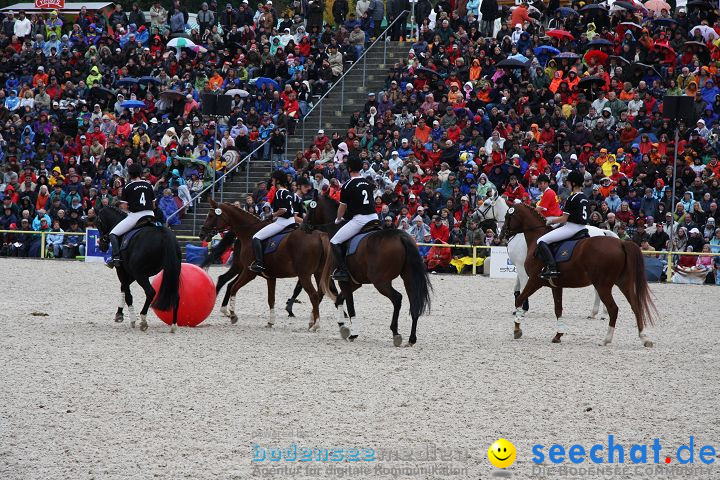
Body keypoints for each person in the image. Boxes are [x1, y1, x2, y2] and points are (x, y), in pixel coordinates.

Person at [329, 157, 378, 281]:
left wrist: (338, 219)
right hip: (374, 217)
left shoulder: (347, 185)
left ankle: (343, 270)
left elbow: (342, 207)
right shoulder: (368, 183)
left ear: (349, 168)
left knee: (334, 241)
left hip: (360, 220)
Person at [536, 170, 589, 279]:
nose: (567, 185)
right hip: (583, 227)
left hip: (572, 227)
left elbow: (564, 218)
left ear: (573, 183)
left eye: (568, 183)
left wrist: (550, 221)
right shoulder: (585, 197)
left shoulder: (572, 198)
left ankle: (552, 268)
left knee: (541, 240)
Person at [106, 163, 155, 268]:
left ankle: (116, 258)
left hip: (136, 216)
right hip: (151, 214)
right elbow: (154, 204)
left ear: (129, 174)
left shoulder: (128, 186)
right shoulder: (148, 185)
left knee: (113, 234)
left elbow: (124, 206)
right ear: (140, 173)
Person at [249, 171, 295, 273]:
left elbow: (283, 210)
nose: (272, 181)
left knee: (256, 237)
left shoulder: (279, 192)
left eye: (273, 179)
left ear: (277, 180)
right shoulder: (288, 191)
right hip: (292, 220)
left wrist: (271, 215)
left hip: (283, 222)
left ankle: (259, 263)